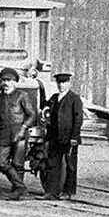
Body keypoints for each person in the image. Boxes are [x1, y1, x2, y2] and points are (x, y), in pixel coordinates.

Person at [0, 67, 39, 201]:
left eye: (9, 80)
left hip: (19, 133)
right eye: (4, 80)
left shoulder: (22, 95)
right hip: (3, 134)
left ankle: (16, 191)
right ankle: (21, 187)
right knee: (2, 163)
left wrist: (23, 128)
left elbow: (31, 115)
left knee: (18, 164)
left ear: (15, 82)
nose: (6, 83)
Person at [39, 72, 83, 201]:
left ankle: (68, 192)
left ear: (69, 84)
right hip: (54, 137)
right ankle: (51, 192)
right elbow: (43, 105)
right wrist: (41, 89)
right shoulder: (54, 98)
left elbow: (78, 119)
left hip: (69, 138)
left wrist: (74, 137)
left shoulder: (74, 99)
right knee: (52, 164)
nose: (61, 85)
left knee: (70, 165)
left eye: (64, 83)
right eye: (59, 83)